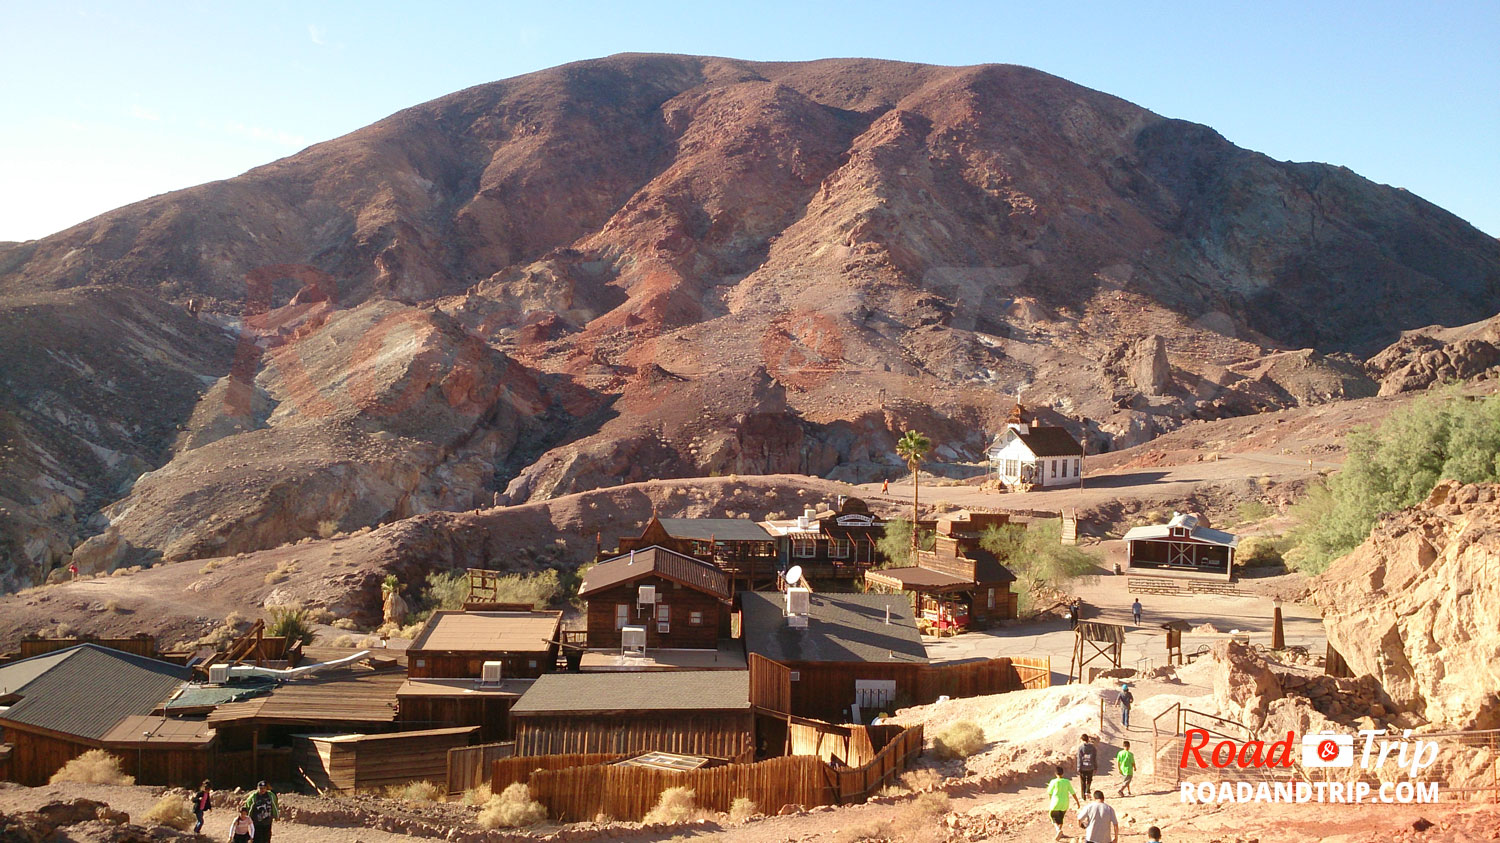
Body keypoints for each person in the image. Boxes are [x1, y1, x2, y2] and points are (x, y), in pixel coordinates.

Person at [1046, 765, 1080, 841]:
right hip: (1065, 803)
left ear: (1055, 774)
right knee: (1061, 818)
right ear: (1063, 773)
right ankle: (1060, 834)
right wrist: (1077, 802)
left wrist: (1051, 800)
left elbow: (1049, 792)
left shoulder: (1053, 781)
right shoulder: (1067, 782)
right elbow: (1073, 793)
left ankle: (1058, 830)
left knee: (1053, 816)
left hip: (1055, 802)